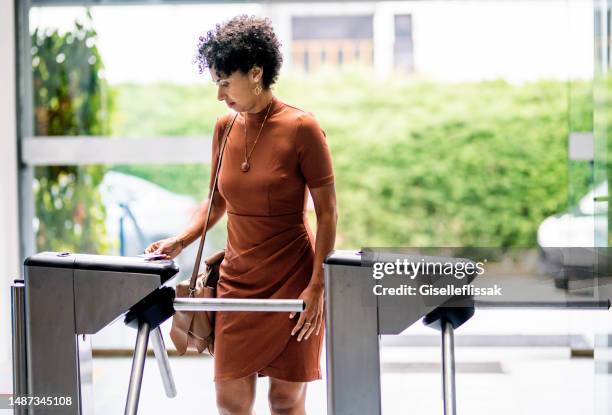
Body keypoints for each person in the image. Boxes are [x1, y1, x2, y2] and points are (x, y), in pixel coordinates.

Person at [145, 14, 337, 415]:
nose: (219, 94)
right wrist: (180, 241)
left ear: (255, 73)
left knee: (286, 400)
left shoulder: (303, 127)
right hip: (236, 282)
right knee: (231, 401)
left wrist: (317, 285)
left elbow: (328, 212)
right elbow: (216, 202)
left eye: (224, 82)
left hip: (294, 280)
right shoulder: (224, 128)